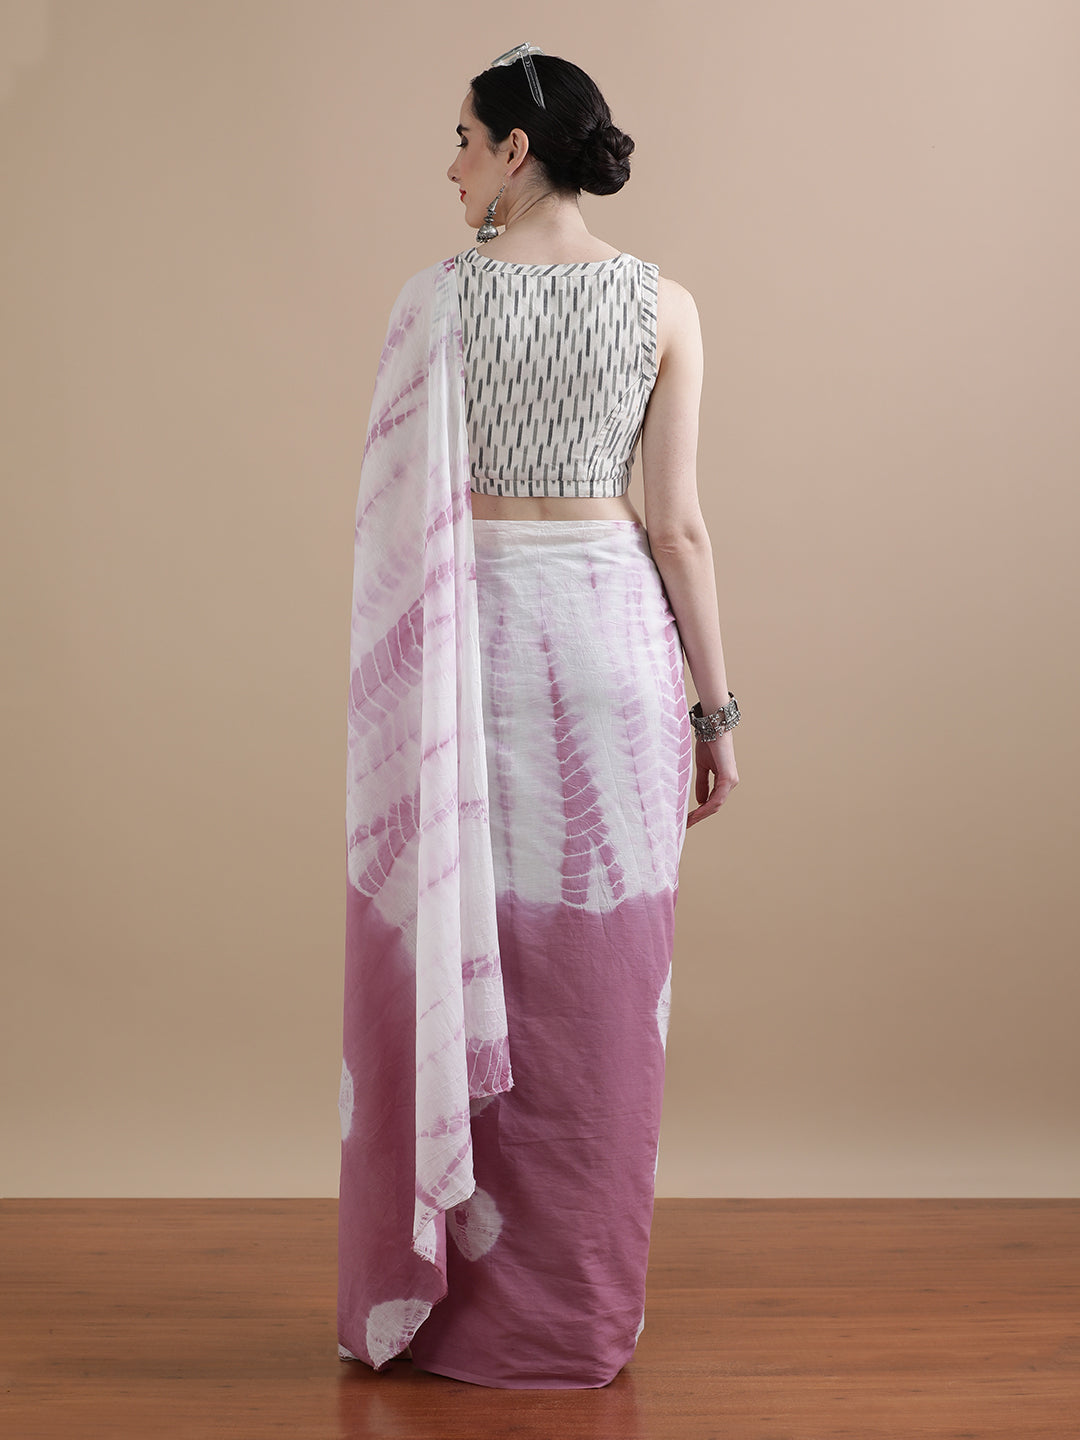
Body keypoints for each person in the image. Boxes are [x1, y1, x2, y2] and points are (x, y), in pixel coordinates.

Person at [337, 43, 740, 1390]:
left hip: (476, 654)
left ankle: (453, 1311)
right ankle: (578, 1319)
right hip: (616, 646)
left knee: (479, 954)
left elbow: (396, 524)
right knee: (603, 988)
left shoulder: (436, 304)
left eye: (463, 138)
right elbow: (677, 528)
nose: (450, 165)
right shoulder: (665, 304)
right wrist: (716, 709)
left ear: (517, 149)